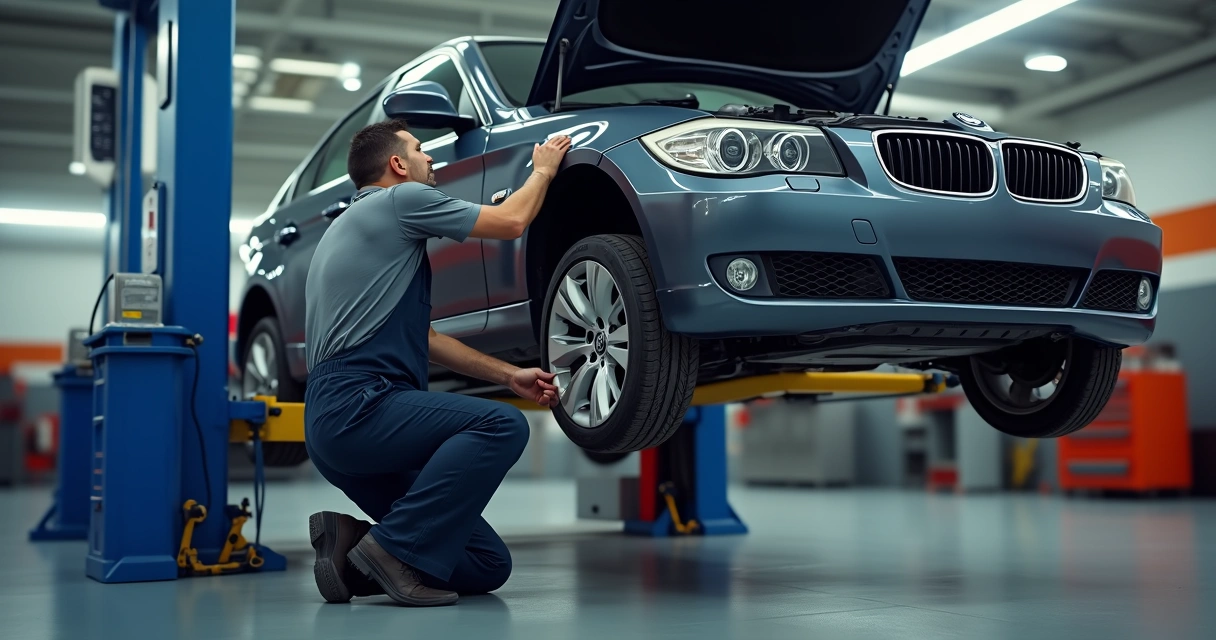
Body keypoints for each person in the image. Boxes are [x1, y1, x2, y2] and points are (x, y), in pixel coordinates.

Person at [303, 119, 572, 607]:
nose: (432, 160)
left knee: (488, 564)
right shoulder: (399, 201)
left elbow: (425, 340)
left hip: (333, 424)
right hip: (361, 404)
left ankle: (352, 550)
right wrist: (544, 170)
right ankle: (388, 553)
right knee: (501, 427)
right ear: (397, 164)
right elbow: (511, 221)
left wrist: (509, 374)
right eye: (422, 150)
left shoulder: (346, 229)